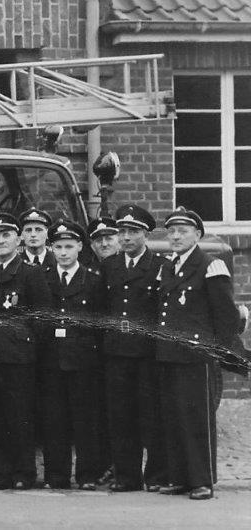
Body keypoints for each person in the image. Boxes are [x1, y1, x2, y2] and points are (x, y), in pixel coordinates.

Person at [155, 207, 240, 500]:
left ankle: (202, 480)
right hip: (168, 353)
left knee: (195, 419)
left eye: (183, 231)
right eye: (172, 231)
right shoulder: (168, 266)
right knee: (173, 417)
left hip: (195, 355)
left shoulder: (210, 265)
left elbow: (226, 315)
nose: (176, 236)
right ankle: (180, 477)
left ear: (197, 235)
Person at [0, 212, 52, 490]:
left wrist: (25, 339)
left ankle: (24, 473)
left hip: (20, 356)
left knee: (20, 416)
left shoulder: (30, 273)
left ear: (17, 238)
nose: (1, 240)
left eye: (6, 235)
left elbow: (42, 314)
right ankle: (0, 474)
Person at [98, 204, 167, 493]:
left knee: (151, 415)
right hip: (116, 353)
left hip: (147, 354)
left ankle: (157, 476)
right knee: (121, 415)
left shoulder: (159, 265)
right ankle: (127, 476)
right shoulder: (109, 266)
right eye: (122, 232)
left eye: (133, 232)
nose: (126, 238)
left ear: (145, 234)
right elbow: (102, 309)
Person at [38, 220, 104, 490]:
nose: (63, 253)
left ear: (79, 246)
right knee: (54, 420)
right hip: (51, 361)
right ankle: (57, 475)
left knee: (84, 419)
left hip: (83, 361)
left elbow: (100, 322)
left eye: (68, 246)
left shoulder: (93, 281)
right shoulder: (43, 279)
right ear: (51, 248)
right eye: (58, 247)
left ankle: (88, 475)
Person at [18, 208, 54, 273]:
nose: (33, 234)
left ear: (47, 234)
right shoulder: (15, 263)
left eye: (38, 230)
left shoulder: (57, 262)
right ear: (22, 235)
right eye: (28, 230)